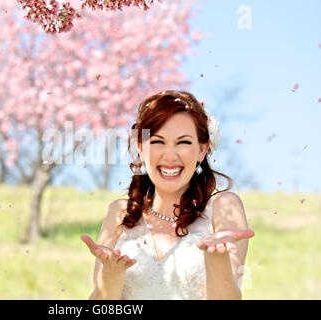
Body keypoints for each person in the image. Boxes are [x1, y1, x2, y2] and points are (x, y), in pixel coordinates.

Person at [81, 90, 255, 300]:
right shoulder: (120, 212)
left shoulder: (224, 207)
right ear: (140, 148)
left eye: (183, 142)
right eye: (157, 142)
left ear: (202, 149)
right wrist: (110, 277)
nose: (170, 156)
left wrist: (216, 260)